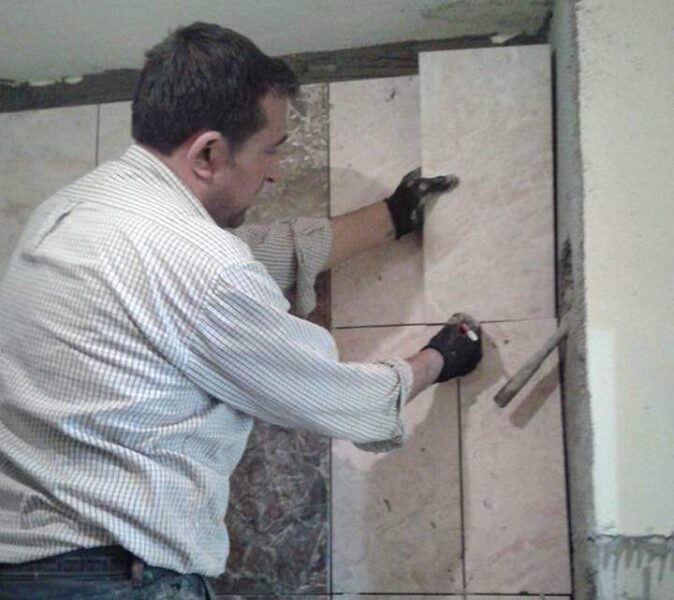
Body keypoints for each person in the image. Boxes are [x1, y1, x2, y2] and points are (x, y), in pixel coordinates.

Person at [0, 22, 482, 599]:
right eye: (270, 149)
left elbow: (247, 258)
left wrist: (393, 215)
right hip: (116, 582)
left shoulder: (74, 209)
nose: (275, 171)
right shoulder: (200, 265)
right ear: (209, 152)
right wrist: (440, 357)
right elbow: (337, 397)